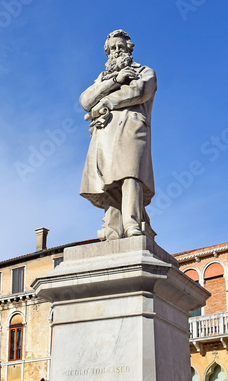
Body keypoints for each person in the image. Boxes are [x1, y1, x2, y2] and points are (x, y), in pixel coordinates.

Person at [79, 29, 157, 240]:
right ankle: (113, 229)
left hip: (131, 129)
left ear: (129, 48)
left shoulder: (145, 71)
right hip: (105, 133)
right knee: (109, 182)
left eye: (120, 47)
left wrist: (106, 101)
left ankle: (132, 224)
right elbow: (85, 100)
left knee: (131, 174)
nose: (116, 51)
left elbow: (139, 91)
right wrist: (115, 81)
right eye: (112, 48)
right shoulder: (103, 79)